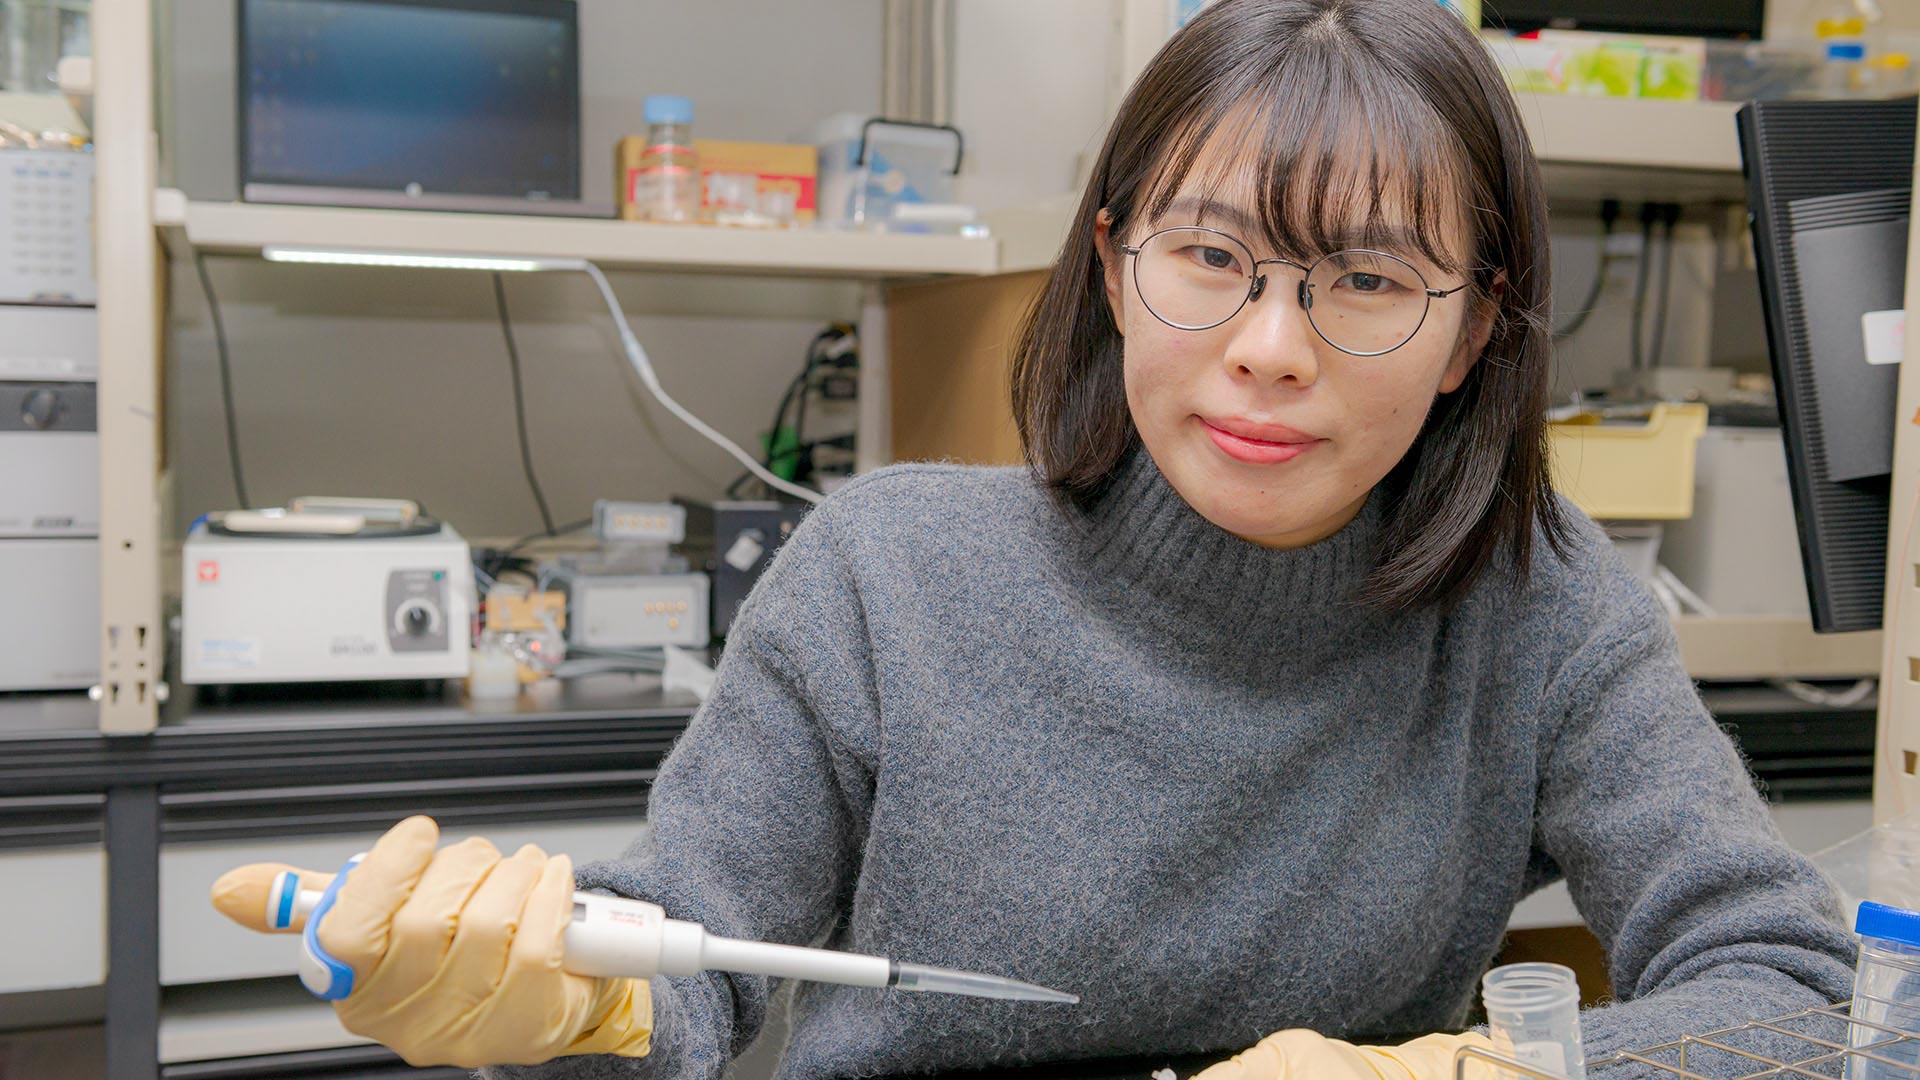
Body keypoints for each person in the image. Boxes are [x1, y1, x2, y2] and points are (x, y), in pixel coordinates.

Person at [211, 0, 1856, 1076]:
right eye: (1210, 257)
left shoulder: (1542, 610)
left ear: (1477, 329)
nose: (1270, 348)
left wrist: (1463, 1069)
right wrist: (565, 1005)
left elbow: (1786, 986)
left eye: (1364, 280)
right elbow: (688, 959)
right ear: (1115, 261)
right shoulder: (888, 574)